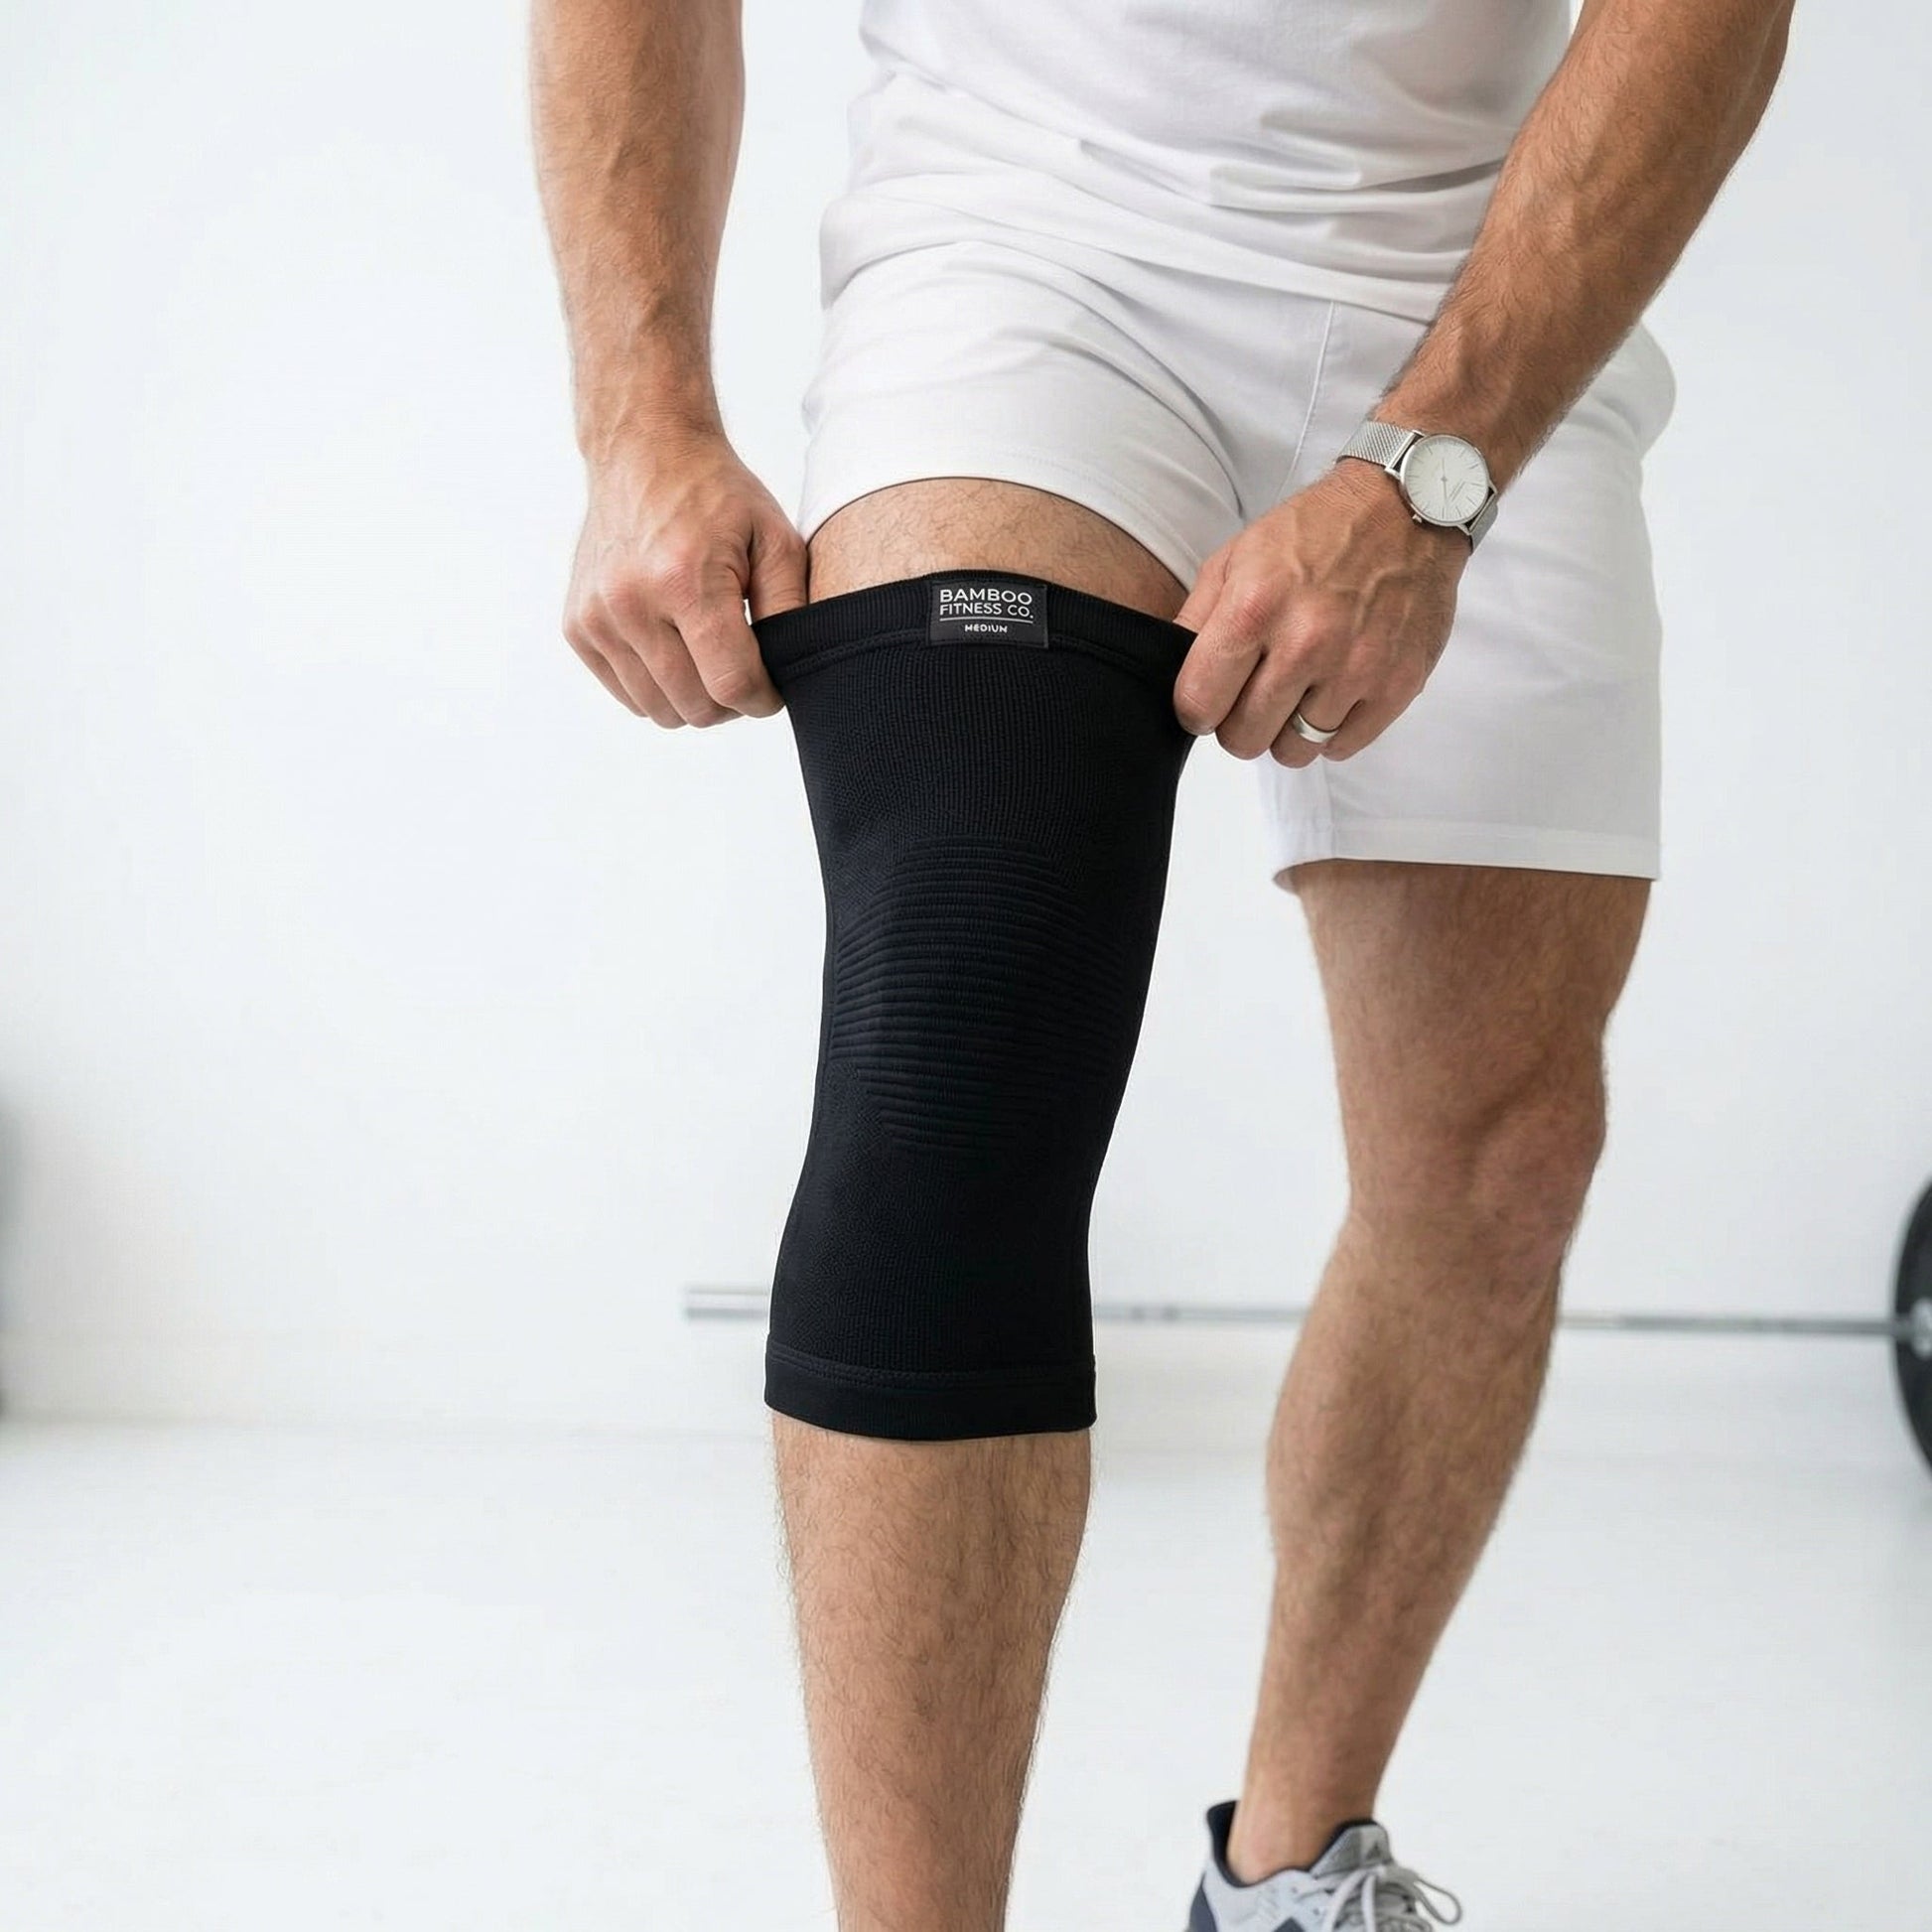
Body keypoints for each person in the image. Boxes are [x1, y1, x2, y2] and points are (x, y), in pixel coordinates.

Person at [530, 1, 1793, 1924]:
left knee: (1494, 1162)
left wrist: (1426, 476)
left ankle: (1289, 1874)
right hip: (1031, 249)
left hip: (1484, 273)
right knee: (955, 1029)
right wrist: (640, 414)